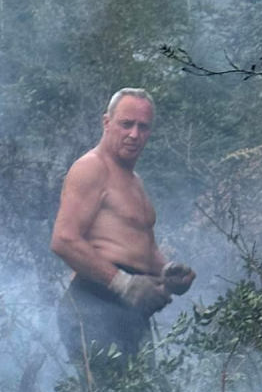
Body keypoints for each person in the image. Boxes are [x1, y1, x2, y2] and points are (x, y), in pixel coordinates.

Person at [50, 88, 195, 364]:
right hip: (94, 303)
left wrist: (168, 272)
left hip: (129, 310)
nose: (134, 135)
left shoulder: (134, 180)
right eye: (126, 124)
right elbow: (63, 240)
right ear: (107, 122)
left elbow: (138, 246)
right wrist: (122, 284)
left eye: (143, 127)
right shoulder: (92, 168)